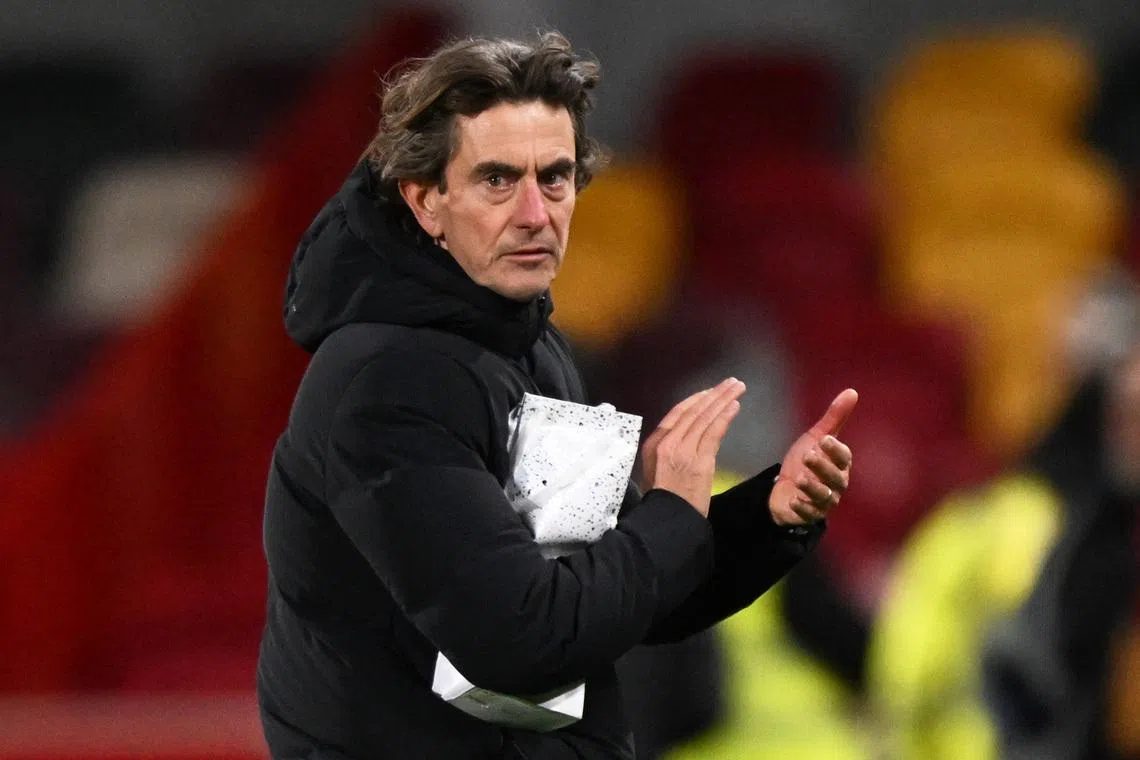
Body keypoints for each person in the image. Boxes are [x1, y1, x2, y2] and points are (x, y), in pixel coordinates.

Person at [257, 31, 857, 759]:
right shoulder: (383, 383)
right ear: (425, 201)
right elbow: (522, 637)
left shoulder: (532, 348)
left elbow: (616, 599)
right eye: (497, 180)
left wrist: (767, 514)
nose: (536, 214)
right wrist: (670, 508)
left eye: (556, 178)